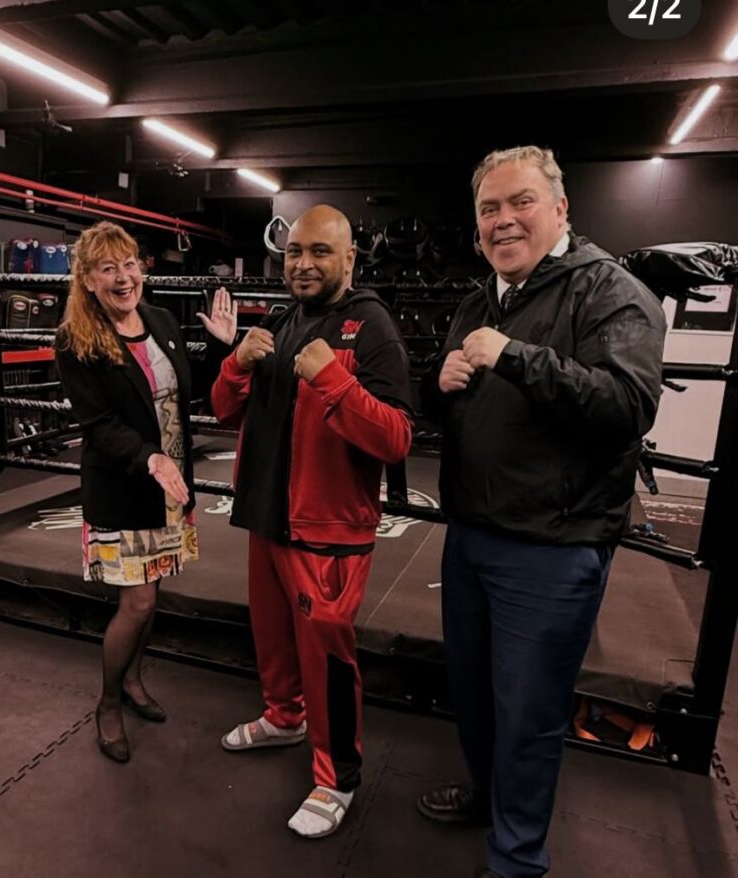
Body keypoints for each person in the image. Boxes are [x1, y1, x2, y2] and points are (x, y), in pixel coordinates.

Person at [416, 146, 667, 878]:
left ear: (560, 209)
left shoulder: (610, 291)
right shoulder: (479, 303)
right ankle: (487, 798)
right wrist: (439, 383)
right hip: (471, 533)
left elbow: (625, 406)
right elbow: (449, 408)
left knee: (528, 713)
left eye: (520, 202)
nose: (503, 220)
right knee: (472, 694)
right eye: (489, 209)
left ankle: (516, 859)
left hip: (552, 547)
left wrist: (515, 356)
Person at [211, 204, 414, 837]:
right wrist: (235, 364)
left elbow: (397, 437)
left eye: (320, 252)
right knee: (272, 638)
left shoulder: (372, 326)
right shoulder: (280, 319)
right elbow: (222, 411)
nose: (303, 264)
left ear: (349, 259)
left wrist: (332, 380)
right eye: (295, 252)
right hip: (267, 513)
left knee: (326, 657)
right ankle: (284, 717)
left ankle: (337, 777)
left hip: (327, 529)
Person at [56, 221, 237, 764]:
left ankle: (133, 681)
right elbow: (98, 425)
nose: (123, 277)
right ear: (88, 279)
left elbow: (189, 391)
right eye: (108, 268)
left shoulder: (159, 320)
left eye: (130, 264)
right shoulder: (77, 339)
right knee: (137, 602)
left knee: (151, 593)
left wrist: (219, 348)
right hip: (126, 484)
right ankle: (108, 703)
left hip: (169, 486)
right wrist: (149, 458)